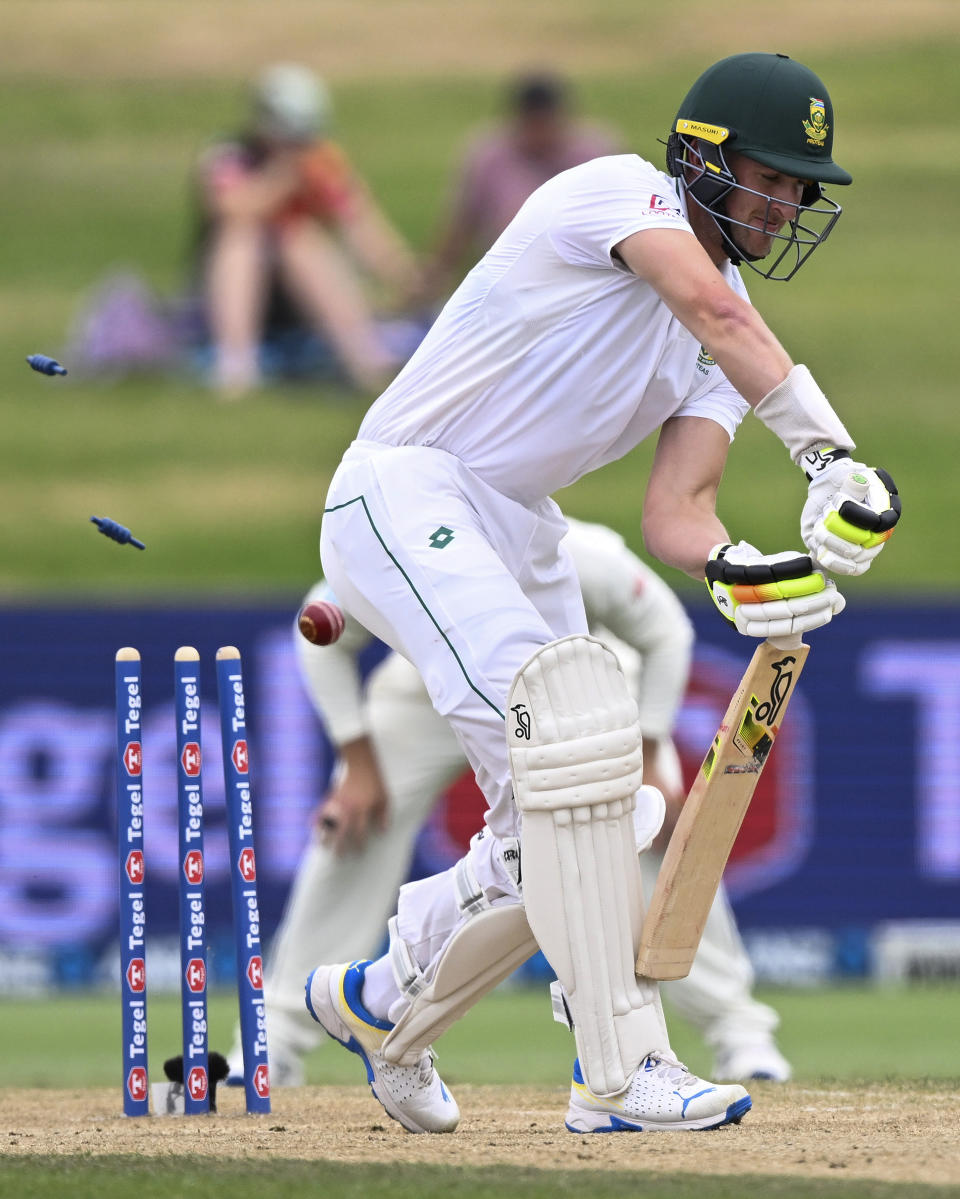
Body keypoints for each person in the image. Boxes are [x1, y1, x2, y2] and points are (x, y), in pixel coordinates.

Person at [310, 52, 901, 1136]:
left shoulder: (723, 348)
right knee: (574, 767)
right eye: (771, 176)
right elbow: (715, 312)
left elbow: (681, 514)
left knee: (572, 820)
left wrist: (757, 575)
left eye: (798, 187)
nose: (787, 202)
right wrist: (828, 456)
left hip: (520, 525)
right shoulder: (614, 192)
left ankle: (379, 996)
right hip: (404, 484)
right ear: (702, 160)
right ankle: (619, 1072)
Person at [227, 518, 790, 1087]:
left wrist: (648, 748)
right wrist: (359, 763)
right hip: (434, 694)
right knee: (351, 827)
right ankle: (274, 1040)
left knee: (644, 827)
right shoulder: (411, 549)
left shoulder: (579, 554)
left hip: (573, 696)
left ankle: (740, 1034)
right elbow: (320, 634)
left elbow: (667, 630)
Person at [194, 63, 421, 397]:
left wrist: (406, 275)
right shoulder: (229, 155)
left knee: (299, 240)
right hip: (234, 287)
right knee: (242, 237)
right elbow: (232, 208)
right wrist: (285, 177)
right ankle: (236, 365)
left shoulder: (321, 162)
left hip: (298, 296)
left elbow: (359, 223)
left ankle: (364, 360)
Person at [417, 72, 621, 300]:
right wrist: (431, 280)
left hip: (585, 281)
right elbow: (461, 228)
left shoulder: (593, 153)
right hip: (511, 282)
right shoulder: (491, 156)